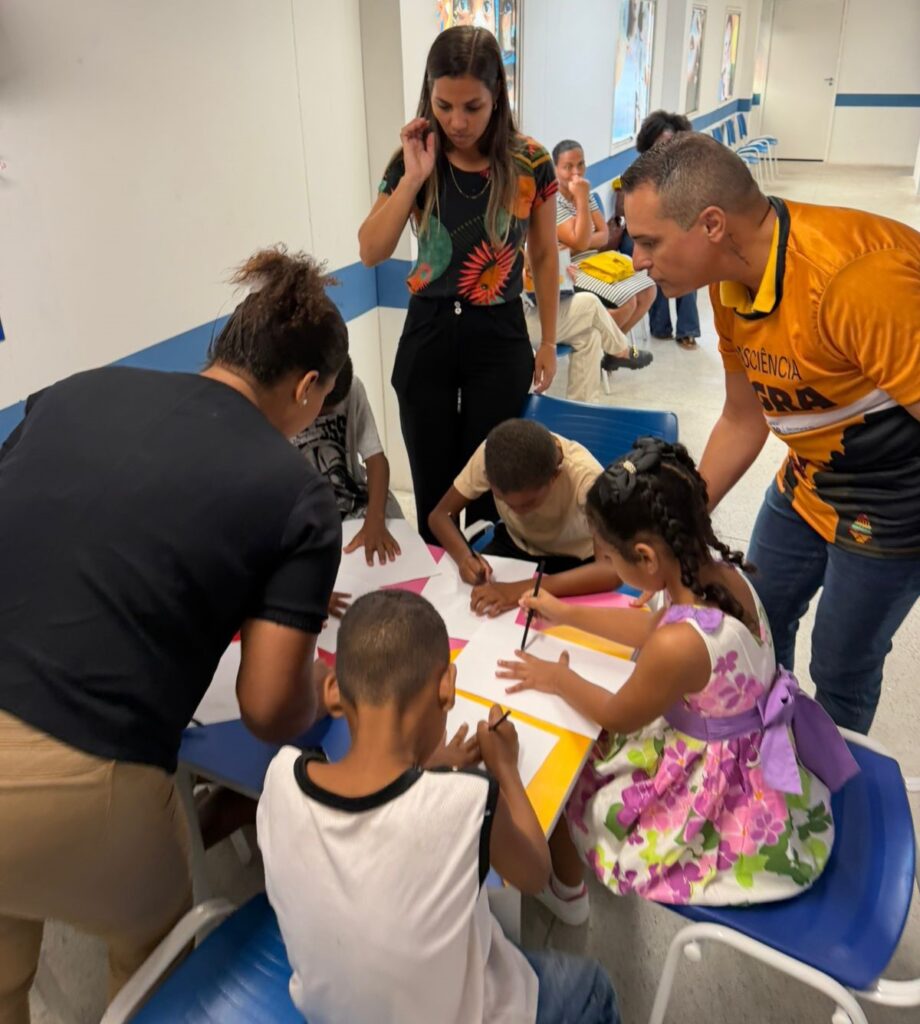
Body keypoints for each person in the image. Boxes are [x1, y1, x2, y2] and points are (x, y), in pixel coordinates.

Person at [0, 247, 347, 1023]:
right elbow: (264, 708)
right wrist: (318, 693)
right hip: (81, 772)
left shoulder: (73, 392)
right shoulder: (296, 492)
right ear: (305, 389)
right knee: (154, 970)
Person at [620, 132, 920, 734]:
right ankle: (758, 753)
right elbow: (742, 416)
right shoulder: (728, 285)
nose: (637, 262)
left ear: (710, 224)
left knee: (841, 661)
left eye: (649, 242)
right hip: (808, 482)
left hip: (893, 506)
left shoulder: (856, 281)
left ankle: (828, 785)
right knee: (751, 615)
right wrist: (682, 521)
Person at [498, 438, 857, 917]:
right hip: (747, 737)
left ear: (645, 558)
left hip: (722, 782)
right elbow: (651, 628)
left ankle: (567, 887)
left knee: (580, 784)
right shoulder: (717, 573)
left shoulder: (680, 644)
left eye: (610, 559)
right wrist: (563, 613)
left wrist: (557, 678)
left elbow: (616, 712)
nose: (609, 566)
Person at [257, 589, 620, 1024]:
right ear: (447, 686)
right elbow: (534, 872)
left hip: (333, 1014)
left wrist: (429, 770)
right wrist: (504, 769)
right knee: (593, 985)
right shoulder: (466, 801)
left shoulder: (280, 777)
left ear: (334, 692)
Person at [359, 26, 560, 542]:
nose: (456, 121)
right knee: (432, 486)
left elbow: (542, 251)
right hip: (428, 327)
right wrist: (412, 177)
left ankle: (487, 591)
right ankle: (439, 608)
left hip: (500, 332)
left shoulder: (530, 161)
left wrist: (550, 339)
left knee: (495, 487)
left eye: (472, 106)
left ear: (498, 96)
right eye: (443, 105)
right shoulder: (413, 157)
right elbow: (370, 250)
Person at [429, 419, 619, 616]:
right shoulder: (491, 457)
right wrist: (464, 557)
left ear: (554, 477)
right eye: (504, 501)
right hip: (516, 544)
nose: (517, 512)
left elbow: (610, 572)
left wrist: (521, 590)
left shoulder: (587, 479)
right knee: (467, 609)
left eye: (528, 503)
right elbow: (440, 515)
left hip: (574, 560)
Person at [290, 355, 403, 564]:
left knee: (392, 526)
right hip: (305, 518)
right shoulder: (281, 406)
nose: (320, 415)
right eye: (320, 409)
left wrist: (375, 521)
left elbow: (376, 459)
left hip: (352, 506)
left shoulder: (353, 388)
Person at [552, 138, 655, 337]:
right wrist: (584, 239)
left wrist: (580, 241)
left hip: (597, 260)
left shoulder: (585, 193)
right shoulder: (553, 202)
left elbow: (604, 235)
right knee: (627, 303)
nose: (576, 172)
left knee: (648, 291)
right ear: (555, 169)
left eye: (580, 164)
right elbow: (579, 243)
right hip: (570, 268)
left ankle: (611, 351)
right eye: (568, 167)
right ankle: (600, 352)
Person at [632, 110, 700, 350]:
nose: (665, 149)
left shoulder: (687, 171)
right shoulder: (640, 171)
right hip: (648, 234)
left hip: (680, 231)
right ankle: (660, 326)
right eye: (660, 143)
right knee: (657, 262)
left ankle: (687, 330)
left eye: (670, 143)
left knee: (687, 265)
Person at [523, 290, 645, 404]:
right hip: (518, 320)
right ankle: (621, 351)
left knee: (590, 335)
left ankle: (581, 410)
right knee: (591, 303)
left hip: (530, 305)